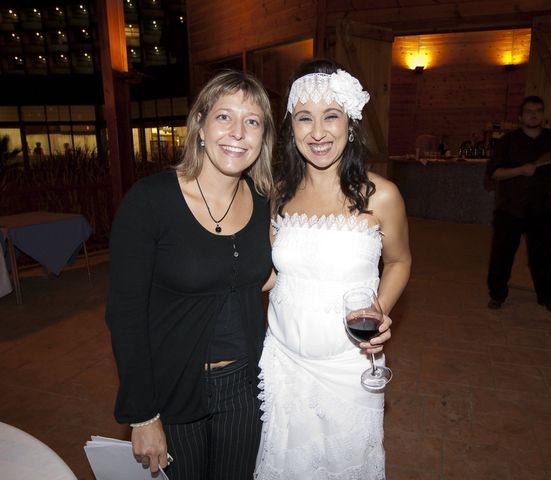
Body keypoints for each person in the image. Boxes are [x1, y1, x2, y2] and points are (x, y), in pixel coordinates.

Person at [105, 70, 276, 480]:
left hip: (245, 386)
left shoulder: (263, 200)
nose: (238, 132)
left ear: (262, 137)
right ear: (199, 124)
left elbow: (261, 278)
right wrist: (143, 414)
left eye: (252, 121)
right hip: (174, 385)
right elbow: (125, 314)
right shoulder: (151, 201)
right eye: (224, 117)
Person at [254, 59, 412, 479]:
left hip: (349, 365)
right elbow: (270, 275)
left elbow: (399, 260)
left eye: (331, 117)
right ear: (291, 127)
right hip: (283, 362)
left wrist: (379, 309)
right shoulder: (278, 197)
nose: (318, 132)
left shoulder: (382, 196)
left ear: (351, 123)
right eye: (305, 118)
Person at [485, 95, 551, 314]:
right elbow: (493, 174)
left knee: (542, 256)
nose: (534, 115)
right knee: (502, 256)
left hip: (541, 210)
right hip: (510, 209)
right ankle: (497, 295)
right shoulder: (508, 141)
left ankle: (547, 298)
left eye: (538, 111)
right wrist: (520, 170)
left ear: (542, 114)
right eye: (529, 111)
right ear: (520, 116)